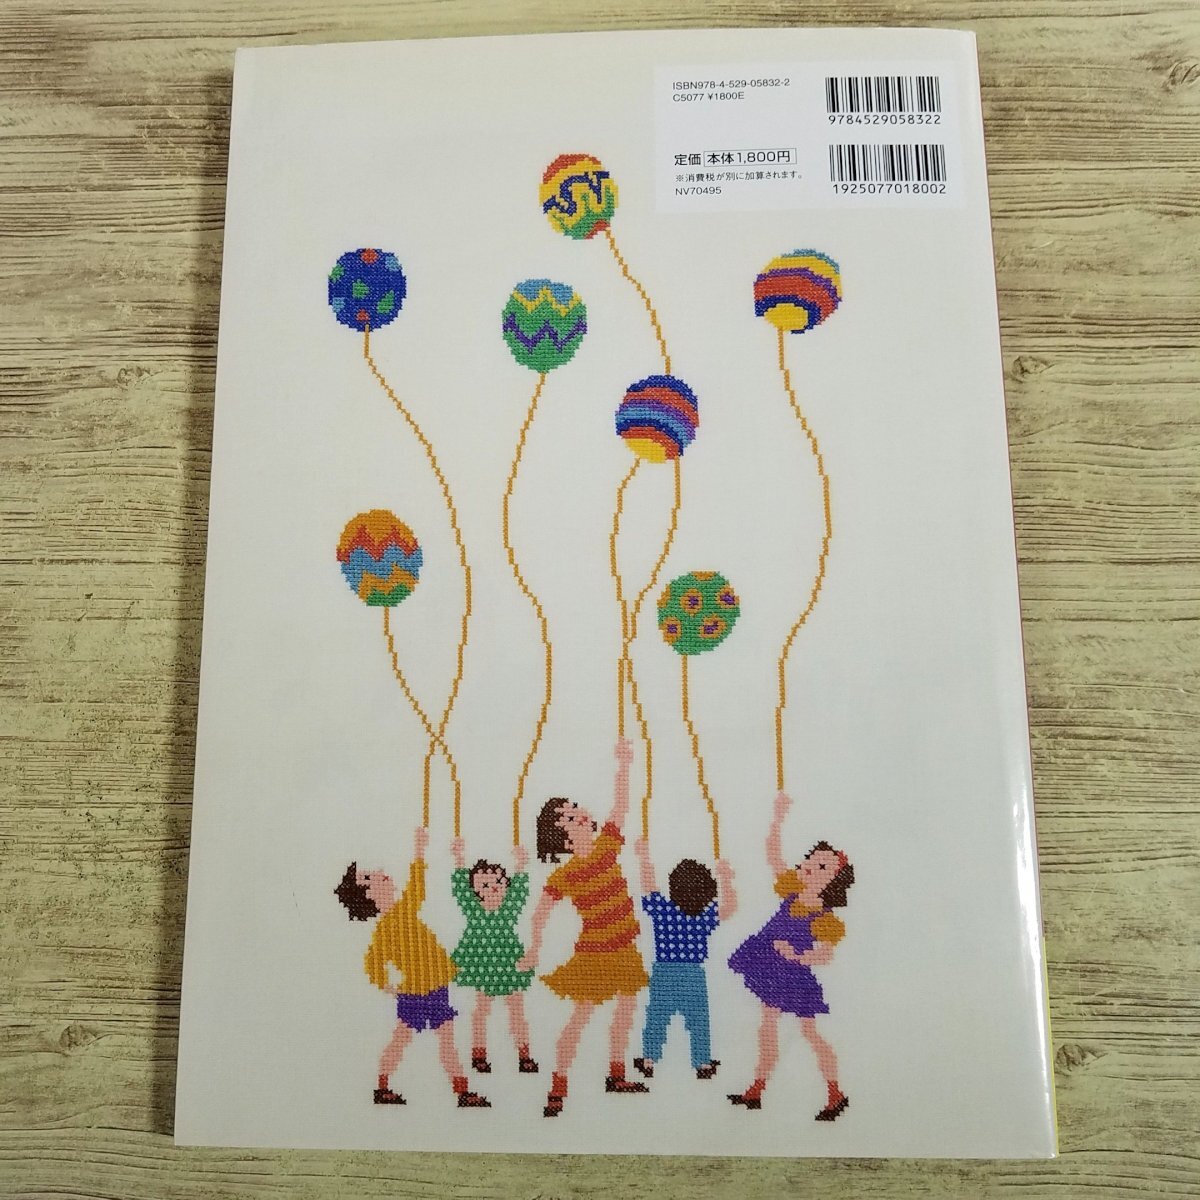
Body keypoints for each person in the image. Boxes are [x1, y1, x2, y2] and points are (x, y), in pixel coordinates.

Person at [517, 737, 650, 1117]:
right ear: (562, 834)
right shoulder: (566, 874)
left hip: (624, 947)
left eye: (575, 808)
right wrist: (534, 949)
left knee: (625, 1011)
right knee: (582, 1016)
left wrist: (624, 765)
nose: (579, 813)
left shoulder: (607, 846)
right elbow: (540, 913)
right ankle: (558, 1084)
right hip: (596, 953)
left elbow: (621, 806)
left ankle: (616, 1074)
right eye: (569, 816)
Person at [334, 824, 490, 1109]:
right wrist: (386, 985)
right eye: (368, 878)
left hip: (434, 988)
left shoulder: (399, 914)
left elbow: (416, 890)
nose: (379, 873)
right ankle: (390, 1085)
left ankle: (456, 1090)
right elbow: (373, 961)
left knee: (432, 1039)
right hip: (418, 993)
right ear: (367, 895)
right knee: (411, 1039)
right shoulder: (390, 924)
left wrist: (420, 850)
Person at [726, 792, 855, 1121]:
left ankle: (835, 1092)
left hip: (794, 976)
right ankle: (757, 1088)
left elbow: (825, 955)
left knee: (809, 1032)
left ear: (833, 879)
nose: (811, 866)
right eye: (812, 859)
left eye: (822, 866)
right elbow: (772, 852)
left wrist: (798, 955)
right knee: (767, 1028)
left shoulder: (825, 918)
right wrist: (778, 817)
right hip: (769, 966)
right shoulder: (792, 890)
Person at [631, 842, 737, 1081]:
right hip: (693, 974)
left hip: (664, 972)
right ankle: (703, 1063)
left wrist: (644, 857)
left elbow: (648, 885)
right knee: (698, 1019)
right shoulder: (704, 916)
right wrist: (726, 878)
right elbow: (729, 907)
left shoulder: (664, 911)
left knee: (657, 1015)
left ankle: (648, 1059)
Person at [448, 837, 538, 1075]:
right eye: (485, 885)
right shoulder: (474, 910)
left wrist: (521, 865)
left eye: (499, 881)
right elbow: (461, 889)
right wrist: (459, 858)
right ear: (476, 891)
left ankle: (524, 1054)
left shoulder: (508, 909)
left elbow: (519, 892)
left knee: (516, 1009)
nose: (494, 887)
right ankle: (479, 1054)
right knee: (482, 1008)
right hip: (481, 963)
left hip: (508, 961)